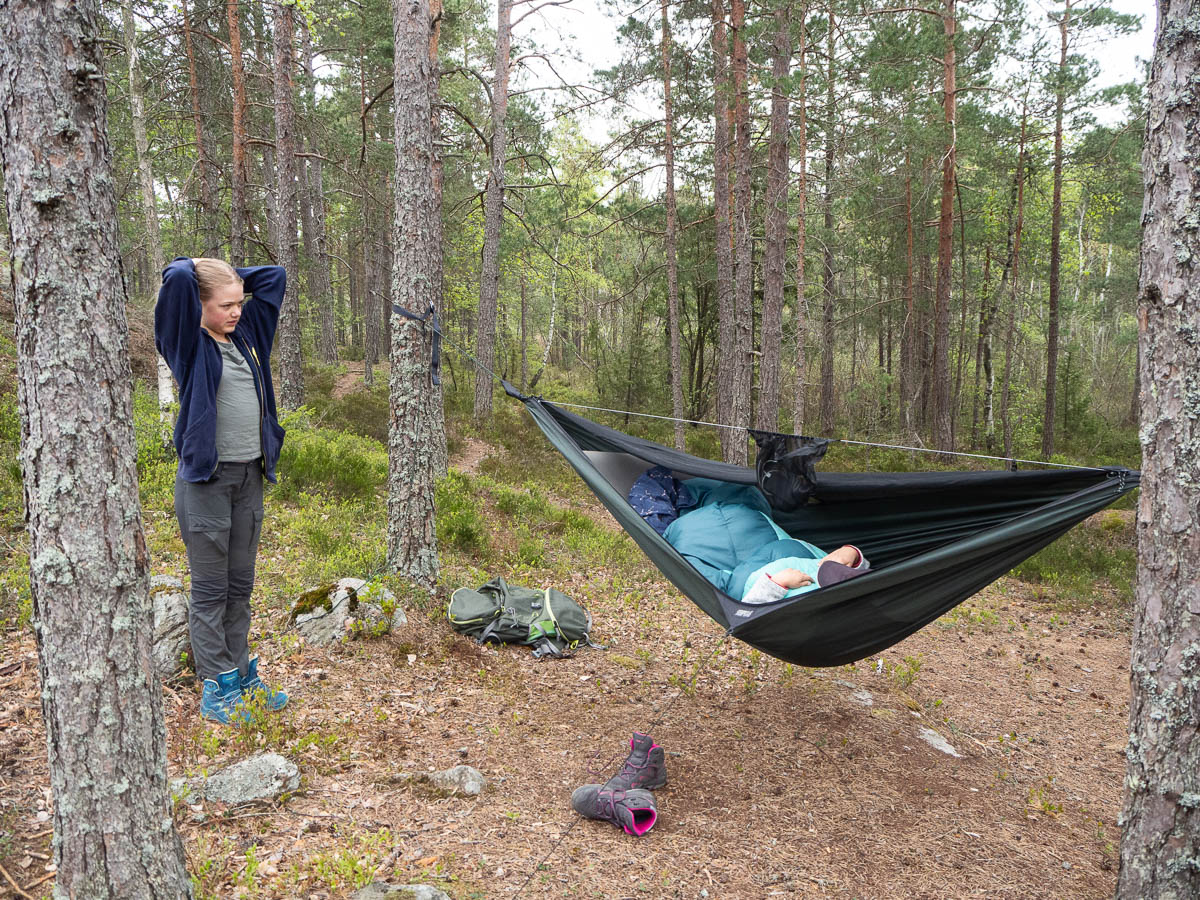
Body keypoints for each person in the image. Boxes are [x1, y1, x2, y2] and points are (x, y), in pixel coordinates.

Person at [155, 256, 289, 724]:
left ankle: (242, 676)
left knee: (239, 589)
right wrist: (195, 268)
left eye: (238, 303)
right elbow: (176, 279)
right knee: (211, 592)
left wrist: (231, 279)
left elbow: (274, 277)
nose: (235, 311)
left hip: (249, 478)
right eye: (225, 305)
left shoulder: (248, 336)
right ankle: (217, 687)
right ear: (199, 305)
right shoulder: (187, 344)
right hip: (206, 483)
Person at [628, 467, 868, 605]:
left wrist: (777, 583)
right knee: (739, 492)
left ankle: (677, 500)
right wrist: (851, 554)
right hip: (753, 524)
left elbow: (750, 607)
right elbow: (859, 570)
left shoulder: (813, 606)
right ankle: (681, 498)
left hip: (731, 564)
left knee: (678, 527)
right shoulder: (848, 580)